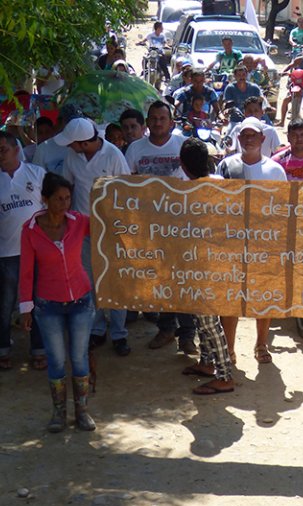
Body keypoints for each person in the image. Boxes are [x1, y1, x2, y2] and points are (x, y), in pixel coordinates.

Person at [19, 173, 96, 431]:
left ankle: (82, 412)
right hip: (47, 305)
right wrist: (26, 306)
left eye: (68, 198)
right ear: (45, 199)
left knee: (79, 357)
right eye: (58, 199)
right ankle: (59, 414)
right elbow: (26, 270)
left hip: (81, 300)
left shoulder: (78, 222)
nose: (64, 204)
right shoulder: (30, 230)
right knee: (55, 359)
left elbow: (106, 225)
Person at [53, 118, 131, 357]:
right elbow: (68, 187)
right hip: (83, 229)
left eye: (72, 143)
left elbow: (126, 189)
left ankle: (119, 333)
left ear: (84, 143)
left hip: (112, 228)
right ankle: (97, 329)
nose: (69, 147)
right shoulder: (71, 158)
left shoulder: (113, 155)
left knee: (116, 280)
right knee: (89, 279)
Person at [124, 102, 196, 354]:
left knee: (184, 279)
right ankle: (166, 329)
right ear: (147, 122)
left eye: (162, 118)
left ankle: (187, 334)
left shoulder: (183, 145)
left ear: (171, 122)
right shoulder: (135, 149)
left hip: (182, 225)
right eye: (152, 119)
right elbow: (127, 184)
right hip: (150, 226)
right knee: (162, 278)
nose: (157, 123)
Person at [215, 117, 286, 365]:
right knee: (230, 298)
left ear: (263, 139)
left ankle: (261, 344)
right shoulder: (225, 167)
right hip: (232, 243)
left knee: (263, 295)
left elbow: (283, 208)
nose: (248, 139)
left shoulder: (275, 170)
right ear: (238, 138)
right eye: (244, 135)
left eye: (252, 135)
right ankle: (230, 349)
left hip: (264, 244)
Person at [178, 138, 235, 394]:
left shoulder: (187, 192)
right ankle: (207, 363)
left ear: (182, 164)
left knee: (209, 321)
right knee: (204, 319)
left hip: (204, 266)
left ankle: (224, 375)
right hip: (221, 262)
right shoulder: (223, 186)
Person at [0, 130, 46, 371]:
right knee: (5, 303)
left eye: (3, 150)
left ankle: (38, 349)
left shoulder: (37, 174)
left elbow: (51, 207)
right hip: (6, 252)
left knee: (37, 301)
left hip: (37, 251)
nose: (0, 156)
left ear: (16, 150)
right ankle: (3, 350)